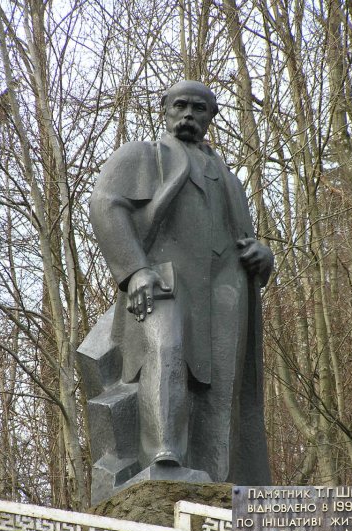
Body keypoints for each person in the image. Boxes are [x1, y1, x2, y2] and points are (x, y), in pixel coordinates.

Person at [89, 80, 273, 484]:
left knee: (223, 382)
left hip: (225, 287)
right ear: (165, 109)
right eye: (181, 106)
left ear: (212, 116)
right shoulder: (143, 155)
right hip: (163, 279)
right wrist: (134, 270)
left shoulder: (227, 176)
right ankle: (163, 457)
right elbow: (105, 203)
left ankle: (219, 478)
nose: (189, 114)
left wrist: (265, 256)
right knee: (166, 350)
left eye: (199, 108)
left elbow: (241, 236)